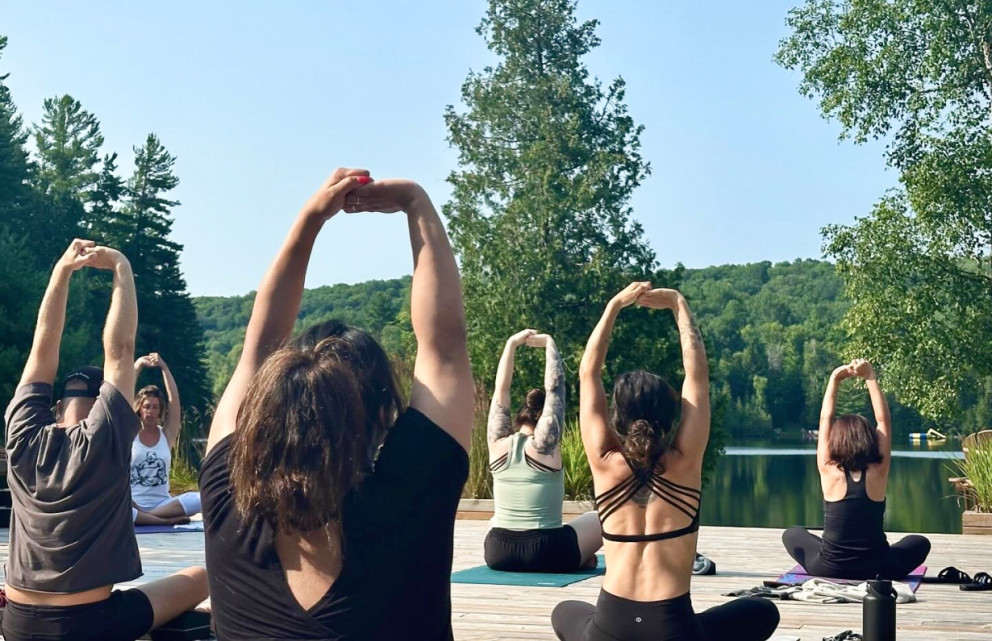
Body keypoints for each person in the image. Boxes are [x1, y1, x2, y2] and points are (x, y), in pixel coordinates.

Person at [200, 169, 473, 640]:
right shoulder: (410, 497)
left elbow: (259, 344)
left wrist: (309, 219)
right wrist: (416, 203)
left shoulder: (227, 499)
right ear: (383, 419)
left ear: (262, 416)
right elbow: (443, 346)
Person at [2, 239, 208, 641]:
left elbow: (42, 344)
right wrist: (121, 267)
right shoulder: (106, 436)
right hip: (89, 623)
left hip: (18, 622)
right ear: (106, 404)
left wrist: (61, 272)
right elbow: (121, 348)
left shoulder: (22, 434)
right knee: (201, 576)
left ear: (57, 406)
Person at [552, 283, 779, 641]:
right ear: (670, 415)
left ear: (618, 416)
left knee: (563, 611)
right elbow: (697, 377)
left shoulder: (605, 463)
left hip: (610, 629)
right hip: (673, 630)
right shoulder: (685, 463)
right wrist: (679, 305)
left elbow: (587, 373)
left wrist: (614, 306)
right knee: (763, 610)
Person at [782, 359, 931, 580]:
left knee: (792, 534)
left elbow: (825, 419)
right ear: (868, 439)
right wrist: (870, 377)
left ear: (836, 440)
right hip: (880, 568)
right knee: (920, 542)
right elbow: (883, 421)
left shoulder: (828, 469)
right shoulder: (878, 469)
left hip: (830, 568)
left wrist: (835, 379)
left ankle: (833, 547)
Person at [485, 329, 602, 572]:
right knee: (599, 518)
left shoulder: (497, 443)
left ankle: (580, 557)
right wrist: (550, 344)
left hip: (497, 552)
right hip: (547, 551)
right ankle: (581, 557)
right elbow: (555, 390)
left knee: (495, 520)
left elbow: (501, 390)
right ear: (544, 418)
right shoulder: (544, 446)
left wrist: (511, 344)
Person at [130, 353, 201, 524]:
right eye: (147, 406)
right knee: (113, 504)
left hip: (163, 504)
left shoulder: (166, 435)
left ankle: (150, 518)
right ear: (139, 408)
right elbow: (122, 396)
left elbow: (174, 400)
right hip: (132, 504)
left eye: (155, 407)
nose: (151, 411)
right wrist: (138, 366)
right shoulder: (129, 433)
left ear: (160, 410)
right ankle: (162, 521)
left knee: (199, 498)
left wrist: (164, 367)